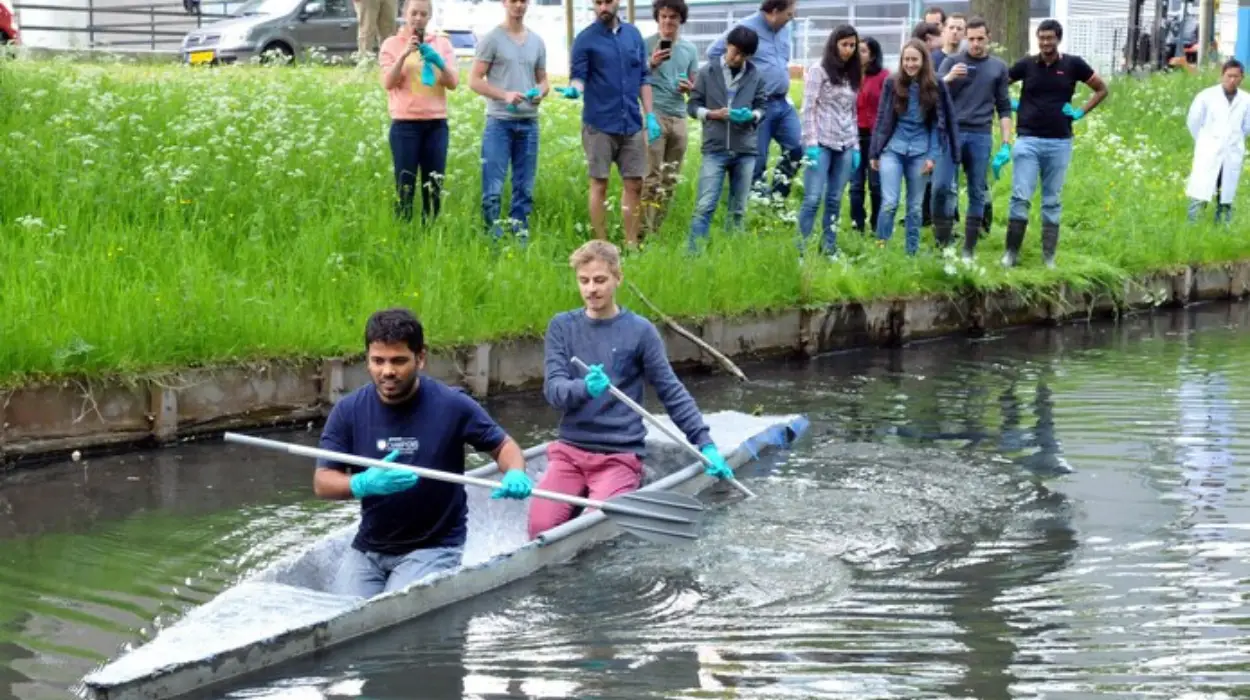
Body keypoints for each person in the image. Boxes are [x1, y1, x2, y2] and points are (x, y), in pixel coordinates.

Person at [314, 308, 534, 598]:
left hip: (434, 546)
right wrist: (361, 484)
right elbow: (322, 482)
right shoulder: (348, 411)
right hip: (370, 547)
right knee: (341, 612)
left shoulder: (452, 405)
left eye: (399, 361)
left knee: (390, 611)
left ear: (421, 358)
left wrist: (515, 471)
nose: (387, 371)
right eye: (377, 361)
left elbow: (504, 447)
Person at [531, 240, 735, 538]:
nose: (591, 289)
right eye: (584, 281)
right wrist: (585, 388)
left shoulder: (640, 331)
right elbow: (554, 391)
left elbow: (671, 391)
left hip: (618, 454)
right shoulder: (562, 327)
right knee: (540, 528)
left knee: (588, 530)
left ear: (617, 278)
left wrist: (705, 445)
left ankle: (632, 480)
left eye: (600, 280)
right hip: (570, 453)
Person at [1004, 19, 1108, 268]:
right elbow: (999, 85)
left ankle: (1049, 257)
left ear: (1058, 39)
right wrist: (1009, 104)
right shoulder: (1027, 64)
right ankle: (1010, 254)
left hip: (1059, 141)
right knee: (1020, 197)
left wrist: (1081, 112)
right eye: (1041, 38)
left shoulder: (1073, 64)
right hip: (1027, 138)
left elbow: (1102, 89)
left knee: (1052, 201)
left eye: (1049, 38)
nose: (1045, 42)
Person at [559, 0, 659, 248]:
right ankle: (601, 245)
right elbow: (579, 76)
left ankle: (631, 243)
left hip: (632, 124)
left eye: (607, 1)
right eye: (598, 2)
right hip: (599, 124)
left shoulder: (633, 36)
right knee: (599, 184)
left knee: (635, 184)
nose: (603, 7)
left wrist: (650, 115)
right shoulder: (585, 39)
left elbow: (643, 76)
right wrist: (574, 90)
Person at [468, 0, 550, 242]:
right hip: (499, 122)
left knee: (524, 188)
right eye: (513, 0)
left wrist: (540, 92)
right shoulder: (492, 39)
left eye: (523, 1)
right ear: (505, 3)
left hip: (529, 123)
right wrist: (505, 95)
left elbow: (543, 80)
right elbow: (474, 80)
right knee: (493, 188)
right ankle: (492, 238)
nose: (519, 5)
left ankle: (519, 237)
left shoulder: (536, 41)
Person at [869, 39, 958, 256]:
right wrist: (875, 151)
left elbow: (940, 124)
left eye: (914, 60)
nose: (910, 64)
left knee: (915, 208)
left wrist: (933, 156)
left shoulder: (936, 84)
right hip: (893, 149)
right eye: (906, 59)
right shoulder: (892, 83)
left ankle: (911, 253)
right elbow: (882, 118)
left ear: (923, 61)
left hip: (920, 150)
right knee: (889, 202)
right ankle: (881, 248)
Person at [707, 0, 801, 203]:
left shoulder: (784, 31)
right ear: (775, 11)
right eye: (789, 14)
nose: (792, 18)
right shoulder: (746, 27)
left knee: (796, 148)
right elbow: (714, 52)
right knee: (758, 160)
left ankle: (777, 198)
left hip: (783, 103)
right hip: (759, 103)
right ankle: (755, 204)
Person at [934, 16, 1012, 259]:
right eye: (972, 39)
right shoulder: (951, 62)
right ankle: (943, 243)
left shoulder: (998, 67)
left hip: (980, 134)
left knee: (977, 189)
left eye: (980, 39)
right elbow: (933, 95)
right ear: (966, 38)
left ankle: (969, 248)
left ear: (989, 37)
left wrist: (1007, 142)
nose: (976, 44)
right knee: (942, 187)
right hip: (951, 133)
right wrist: (948, 80)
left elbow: (1004, 106)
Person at [686, 25, 766, 251]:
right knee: (705, 206)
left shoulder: (755, 75)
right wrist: (711, 114)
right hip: (715, 148)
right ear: (727, 46)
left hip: (745, 149)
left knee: (738, 210)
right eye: (734, 51)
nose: (737, 57)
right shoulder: (707, 72)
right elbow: (692, 106)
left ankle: (732, 255)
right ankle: (694, 256)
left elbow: (762, 105)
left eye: (743, 55)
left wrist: (753, 116)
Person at [379, 0, 458, 224]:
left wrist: (439, 63)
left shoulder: (442, 43)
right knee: (405, 185)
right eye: (414, 13)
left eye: (423, 14)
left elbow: (453, 83)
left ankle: (430, 231)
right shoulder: (392, 44)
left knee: (433, 186)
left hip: (436, 124)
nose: (418, 18)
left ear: (429, 17)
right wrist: (404, 55)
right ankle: (403, 229)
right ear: (405, 13)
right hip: (405, 124)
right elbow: (388, 82)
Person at [797, 24, 862, 258]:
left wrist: (855, 147)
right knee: (813, 199)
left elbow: (852, 113)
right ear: (834, 44)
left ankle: (829, 248)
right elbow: (808, 108)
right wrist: (811, 144)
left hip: (845, 144)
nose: (848, 49)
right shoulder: (819, 70)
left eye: (852, 45)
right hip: (821, 143)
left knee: (834, 200)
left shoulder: (852, 75)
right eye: (844, 44)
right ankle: (801, 251)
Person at [641, 0, 699, 237]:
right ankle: (642, 233)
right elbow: (635, 77)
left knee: (670, 178)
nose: (667, 22)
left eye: (673, 17)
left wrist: (689, 87)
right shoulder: (645, 44)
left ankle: (657, 228)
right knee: (651, 177)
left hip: (679, 117)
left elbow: (694, 84)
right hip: (654, 115)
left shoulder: (689, 50)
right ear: (657, 18)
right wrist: (651, 63)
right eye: (663, 16)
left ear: (680, 20)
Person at [1185, 58, 1250, 224]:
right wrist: (1205, 141)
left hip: (1231, 153)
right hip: (1209, 151)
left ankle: (1222, 230)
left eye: (1236, 76)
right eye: (1229, 76)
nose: (1232, 80)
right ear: (1222, 75)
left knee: (1225, 197)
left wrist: (1233, 141)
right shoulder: (1206, 96)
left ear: (1242, 77)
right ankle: (1193, 228)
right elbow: (1193, 122)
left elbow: (1246, 127)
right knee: (1201, 193)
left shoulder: (1246, 100)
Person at [851, 36, 888, 234]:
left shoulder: (884, 77)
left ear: (873, 55)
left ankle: (876, 223)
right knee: (856, 184)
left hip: (876, 137)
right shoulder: (849, 76)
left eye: (863, 51)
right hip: (853, 135)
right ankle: (857, 223)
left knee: (876, 184)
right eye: (857, 50)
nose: (858, 54)